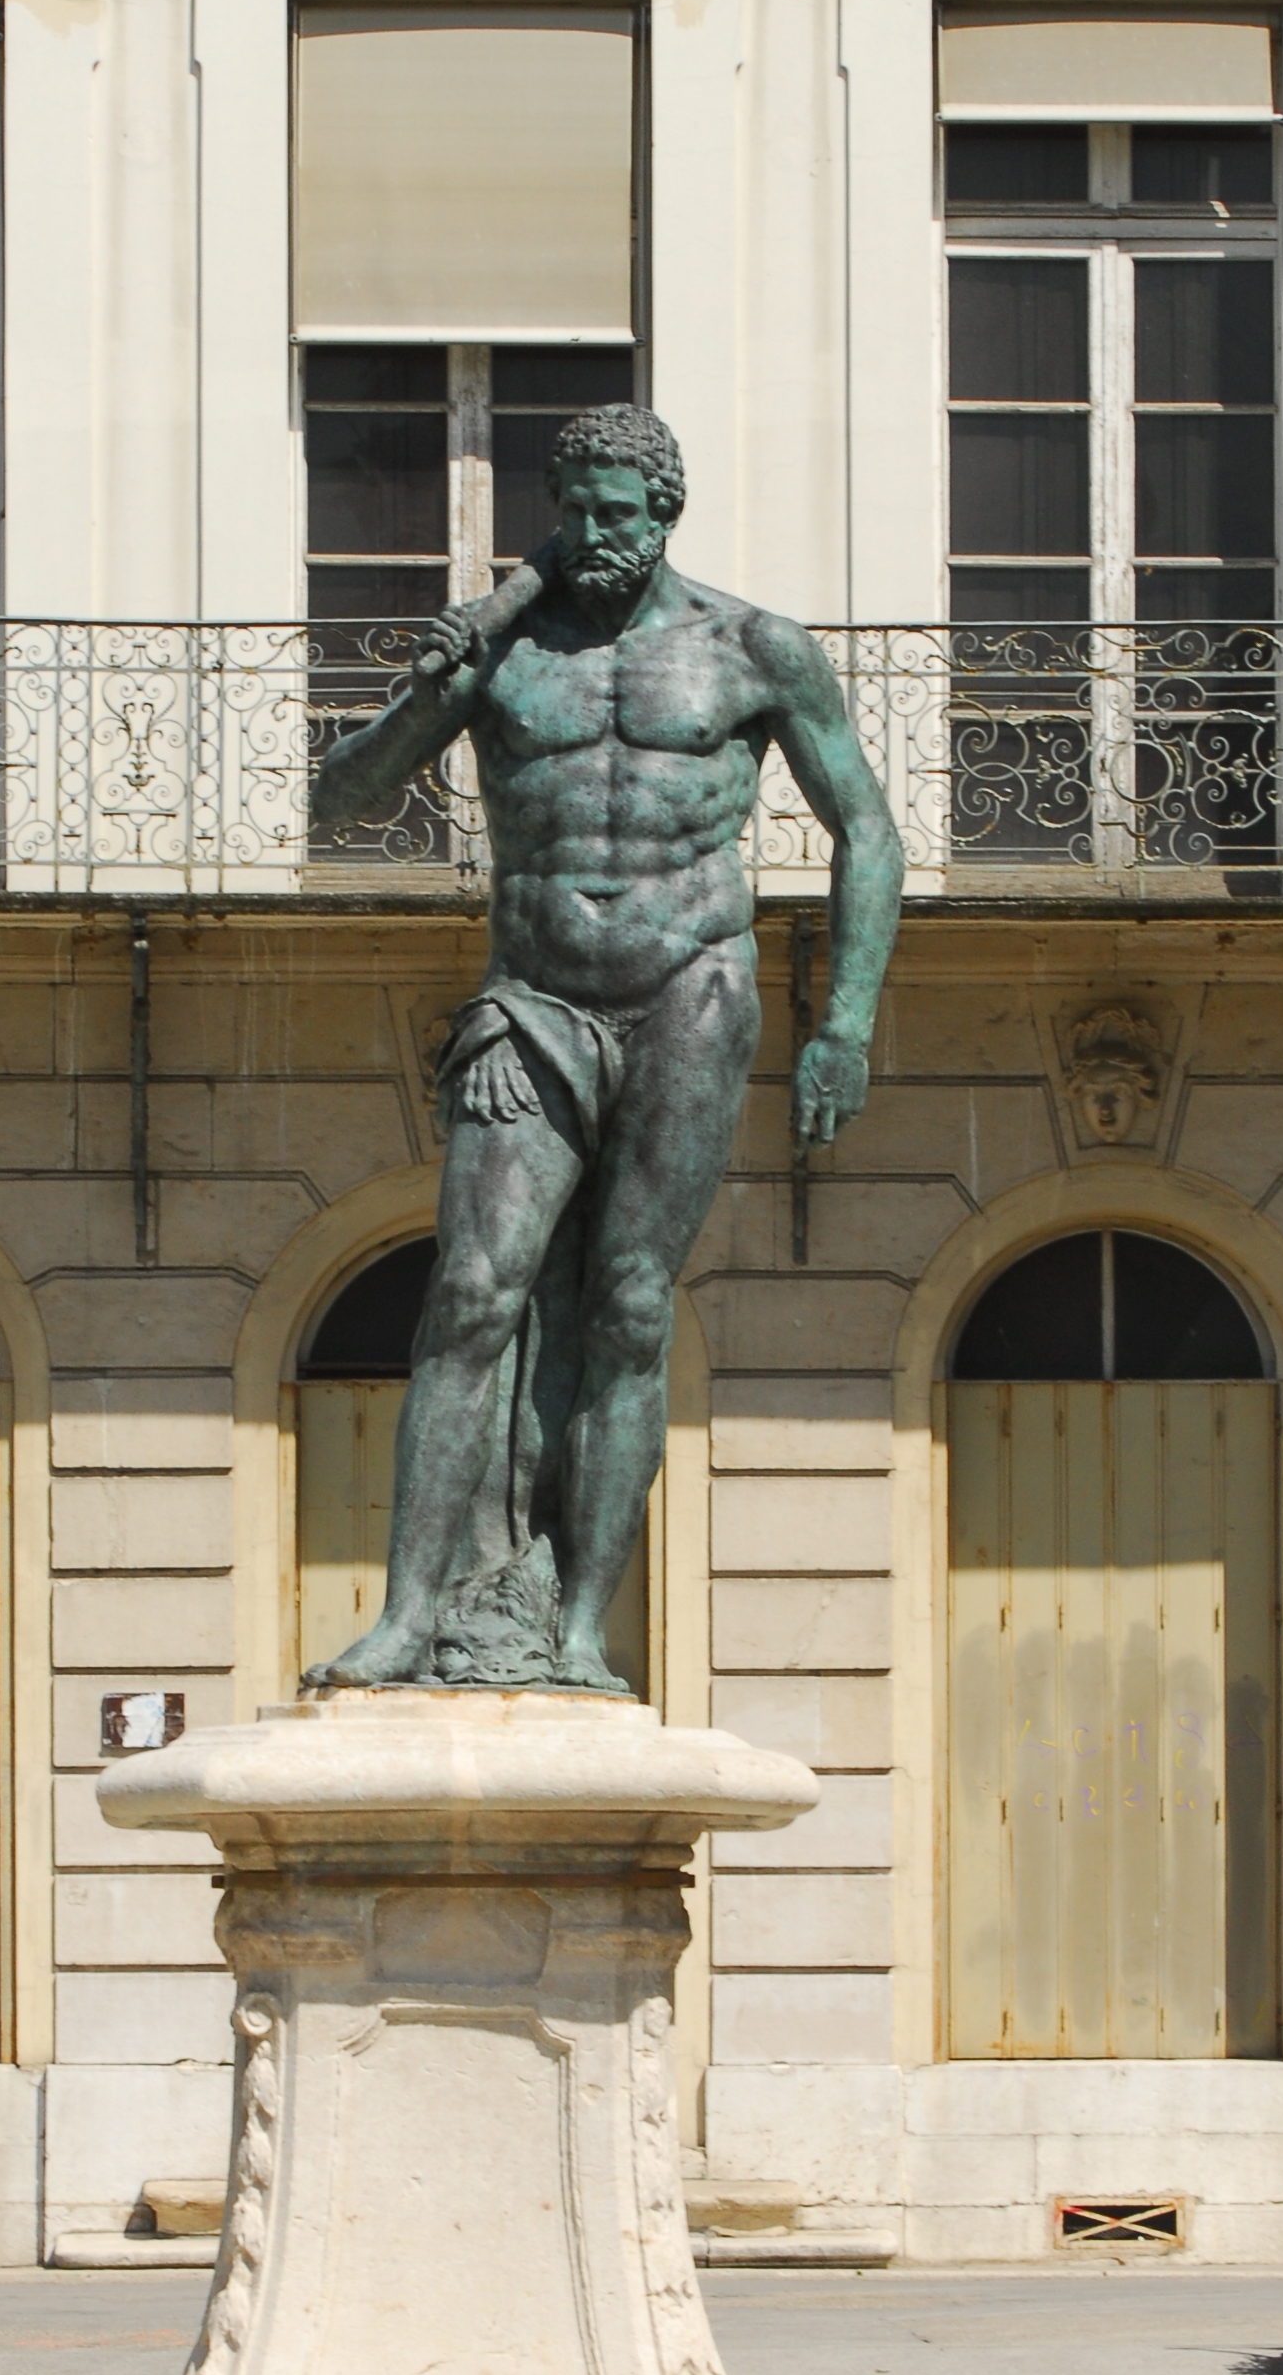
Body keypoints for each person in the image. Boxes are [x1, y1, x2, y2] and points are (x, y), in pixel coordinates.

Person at [306, 401, 904, 1695]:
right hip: (531, 1001)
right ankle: (412, 1617)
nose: (591, 537)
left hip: (690, 992)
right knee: (471, 1293)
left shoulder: (753, 650)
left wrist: (843, 1021)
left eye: (616, 515)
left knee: (633, 1308)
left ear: (663, 515)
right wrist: (426, 691)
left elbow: (868, 828)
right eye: (572, 512)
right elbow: (339, 797)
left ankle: (578, 1627)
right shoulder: (504, 657)